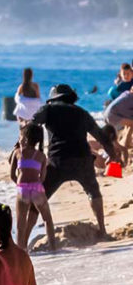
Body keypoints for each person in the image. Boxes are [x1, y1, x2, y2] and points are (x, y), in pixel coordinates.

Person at [30, 84, 114, 239]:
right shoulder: (81, 112)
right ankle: (102, 229)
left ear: (52, 98)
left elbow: (32, 125)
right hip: (83, 160)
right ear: (71, 98)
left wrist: (27, 149)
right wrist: (113, 156)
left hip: (57, 162)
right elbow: (101, 136)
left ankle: (23, 238)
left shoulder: (47, 109)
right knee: (93, 191)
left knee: (38, 199)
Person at [9, 124, 56, 251]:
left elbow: (12, 174)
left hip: (22, 189)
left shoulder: (17, 153)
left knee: (20, 224)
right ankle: (53, 248)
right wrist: (35, 185)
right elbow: (42, 177)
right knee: (47, 219)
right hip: (37, 188)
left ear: (24, 138)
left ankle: (21, 251)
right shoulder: (41, 156)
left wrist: (20, 185)